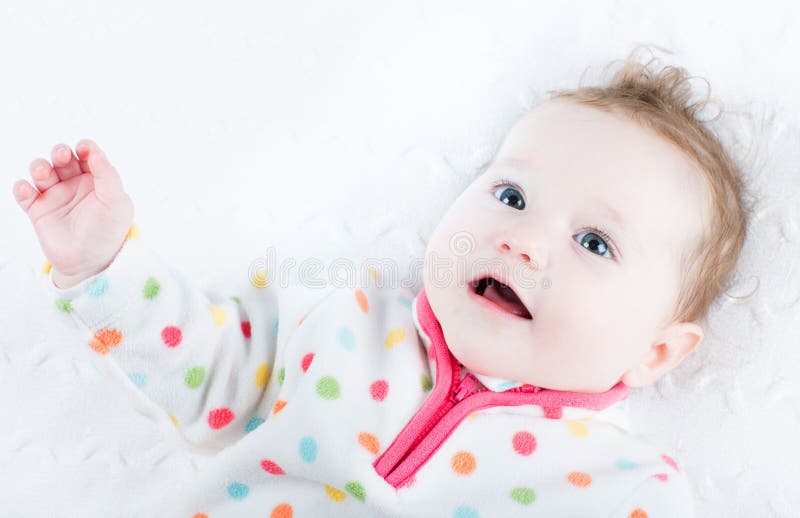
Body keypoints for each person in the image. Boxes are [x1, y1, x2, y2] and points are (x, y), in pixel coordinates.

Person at [12, 47, 749, 517]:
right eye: (513, 196)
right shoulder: (336, 320)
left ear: (656, 352)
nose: (522, 241)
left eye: (594, 242)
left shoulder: (624, 486)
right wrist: (105, 265)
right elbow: (203, 373)